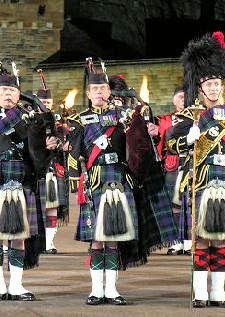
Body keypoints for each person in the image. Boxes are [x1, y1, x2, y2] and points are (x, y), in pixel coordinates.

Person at [67, 63, 176, 305]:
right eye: (94, 89)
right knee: (97, 238)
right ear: (88, 94)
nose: (98, 92)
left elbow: (139, 144)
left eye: (103, 88)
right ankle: (96, 290)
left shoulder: (124, 117)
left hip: (118, 178)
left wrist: (148, 127)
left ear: (109, 91)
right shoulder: (80, 121)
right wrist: (75, 180)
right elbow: (74, 153)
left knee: (114, 237)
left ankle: (112, 290)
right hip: (96, 182)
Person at [166, 32, 225, 308]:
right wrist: (188, 139)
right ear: (201, 87)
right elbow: (170, 145)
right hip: (201, 182)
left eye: (218, 83)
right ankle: (200, 292)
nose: (216, 89)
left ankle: (218, 291)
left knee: (221, 240)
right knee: (202, 240)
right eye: (210, 84)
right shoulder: (189, 116)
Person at [0, 63, 57, 300]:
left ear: (18, 93)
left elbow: (39, 154)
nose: (8, 94)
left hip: (22, 180)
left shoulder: (29, 116)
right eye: (3, 90)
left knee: (19, 237)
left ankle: (16, 285)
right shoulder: (20, 116)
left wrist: (49, 147)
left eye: (12, 91)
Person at [156, 85, 192, 255]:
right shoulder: (164, 120)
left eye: (185, 97)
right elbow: (160, 143)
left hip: (191, 163)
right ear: (173, 100)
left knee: (190, 204)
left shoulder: (198, 116)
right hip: (171, 164)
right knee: (174, 205)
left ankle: (189, 241)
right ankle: (175, 242)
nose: (182, 100)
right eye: (179, 97)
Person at [36, 86, 70, 254]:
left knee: (52, 208)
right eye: (43, 102)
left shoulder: (60, 126)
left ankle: (49, 242)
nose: (46, 105)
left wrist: (63, 145)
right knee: (33, 208)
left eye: (48, 102)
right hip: (35, 171)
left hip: (53, 171)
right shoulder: (29, 121)